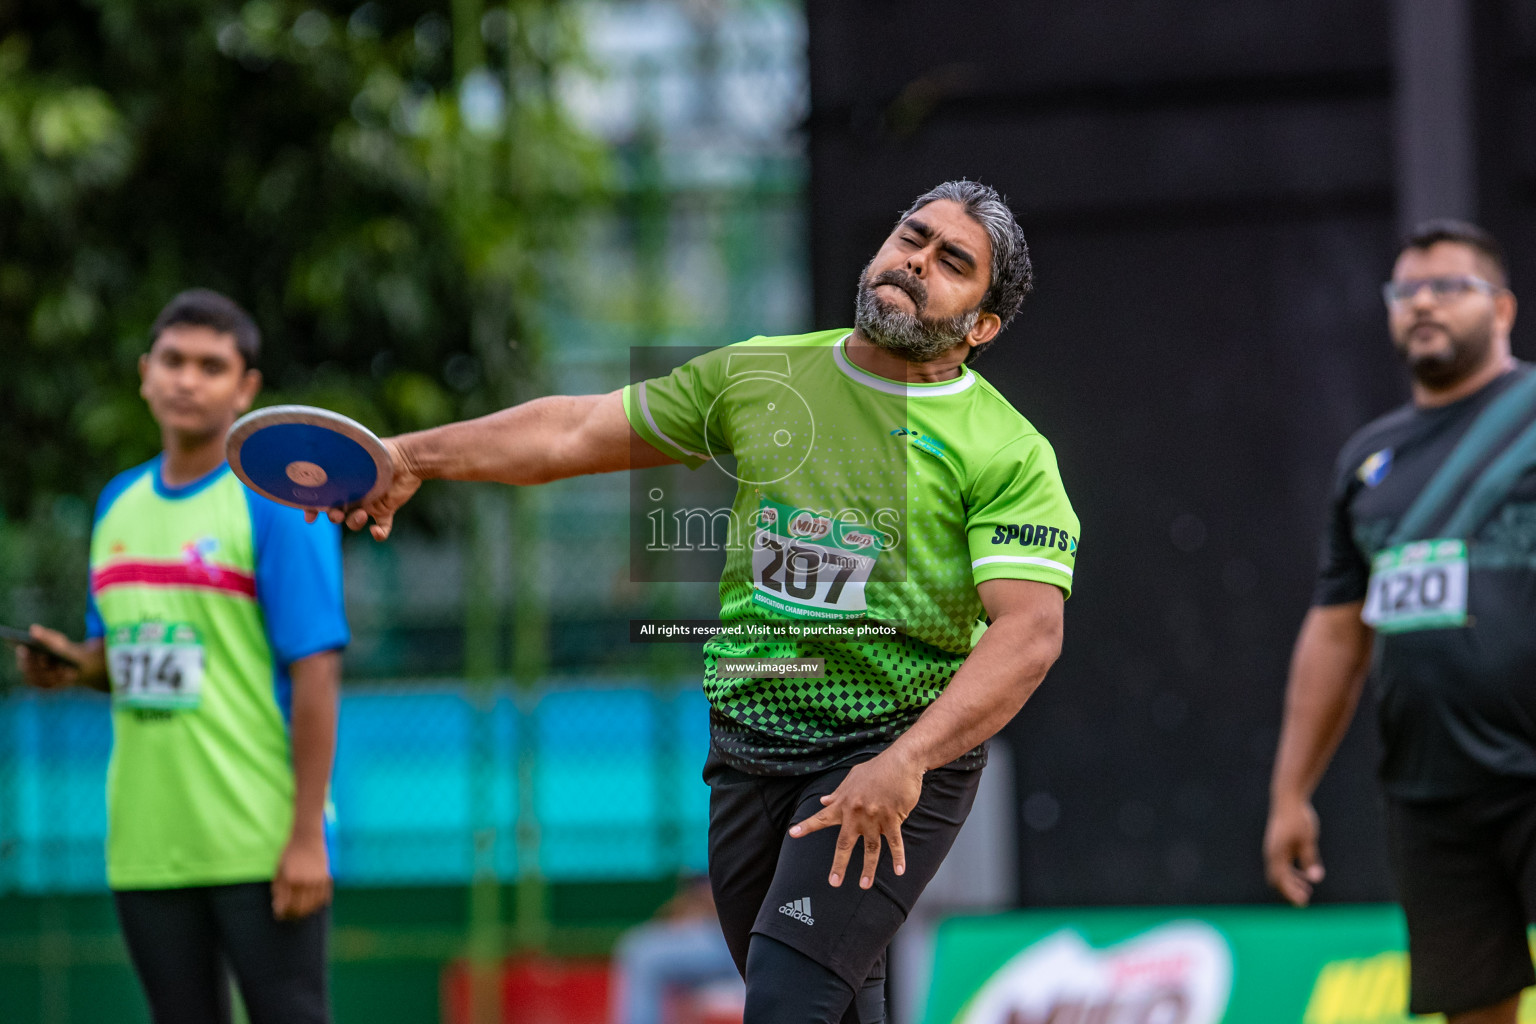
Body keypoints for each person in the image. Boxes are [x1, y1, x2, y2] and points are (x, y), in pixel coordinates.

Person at [320, 179, 1077, 1024]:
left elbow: (1029, 635)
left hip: (886, 756)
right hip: (747, 755)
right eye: (912, 235)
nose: (914, 261)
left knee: (788, 1004)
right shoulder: (761, 373)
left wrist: (905, 762)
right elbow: (570, 432)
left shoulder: (1007, 451)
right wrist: (411, 456)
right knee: (827, 1004)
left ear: (982, 327)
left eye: (951, 262)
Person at [15, 289, 349, 1024]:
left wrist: (304, 839)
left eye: (211, 365)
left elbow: (317, 669)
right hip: (147, 843)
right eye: (173, 360)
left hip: (259, 840)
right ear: (144, 373)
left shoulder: (279, 500)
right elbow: (115, 657)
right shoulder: (117, 504)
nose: (187, 380)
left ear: (246, 387)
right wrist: (70, 663)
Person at [1265, 220, 1536, 1024]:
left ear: (1503, 308)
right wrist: (1290, 794)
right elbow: (1337, 633)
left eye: (1448, 286)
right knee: (1472, 1008)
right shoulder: (1366, 460)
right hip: (1433, 794)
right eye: (1405, 289)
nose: (1422, 302)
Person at [610, 876, 741, 1024]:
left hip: (733, 936)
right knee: (635, 942)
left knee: (645, 956)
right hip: (709, 927)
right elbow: (695, 893)